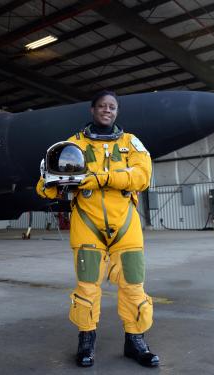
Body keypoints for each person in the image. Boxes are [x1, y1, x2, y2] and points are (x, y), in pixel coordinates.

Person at [36, 90, 159, 368]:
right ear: (92, 110)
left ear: (117, 112)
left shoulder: (131, 143)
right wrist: (54, 188)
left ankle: (136, 340)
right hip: (87, 225)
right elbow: (45, 183)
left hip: (126, 227)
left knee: (133, 287)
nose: (107, 110)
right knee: (88, 287)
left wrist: (100, 178)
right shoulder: (71, 145)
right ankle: (86, 339)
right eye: (102, 106)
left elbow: (142, 177)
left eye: (112, 107)